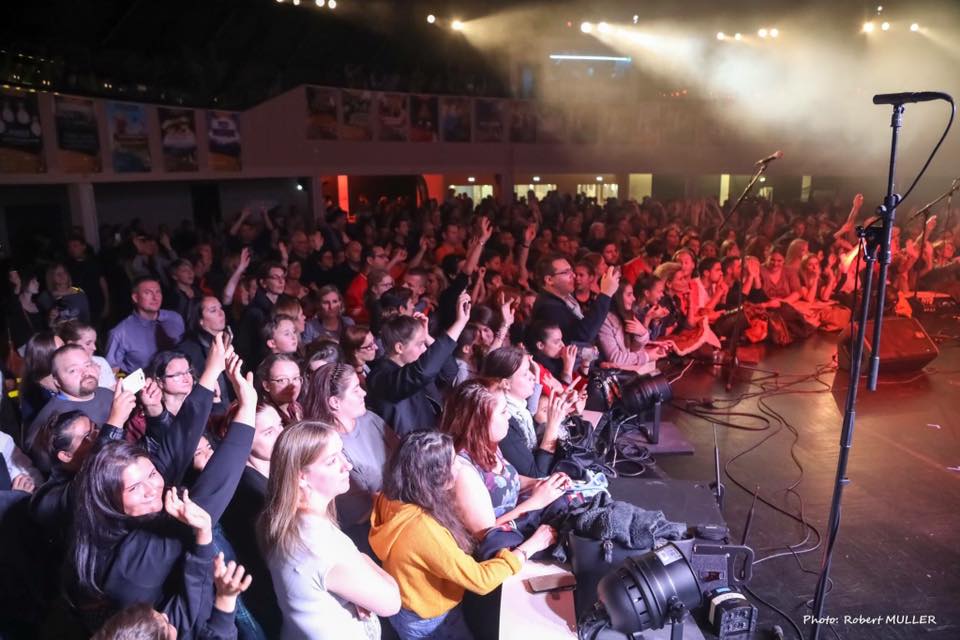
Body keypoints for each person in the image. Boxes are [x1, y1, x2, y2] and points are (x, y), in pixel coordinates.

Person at [69, 342, 254, 637]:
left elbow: (176, 446)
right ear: (109, 500)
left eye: (152, 474)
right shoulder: (133, 561)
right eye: (134, 487)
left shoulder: (122, 507)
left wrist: (210, 372)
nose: (152, 488)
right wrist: (247, 408)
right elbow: (211, 492)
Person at [370, 431, 556, 640]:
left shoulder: (391, 497)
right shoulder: (422, 530)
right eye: (452, 462)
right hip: (431, 622)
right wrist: (530, 546)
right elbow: (481, 580)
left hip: (411, 608)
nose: (460, 467)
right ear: (434, 476)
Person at [260, 421, 401, 640]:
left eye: (341, 453)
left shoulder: (290, 522)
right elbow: (392, 602)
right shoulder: (318, 544)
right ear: (301, 477)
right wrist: (363, 559)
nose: (347, 465)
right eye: (332, 460)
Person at [440, 379, 570, 539]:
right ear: (479, 422)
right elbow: (485, 535)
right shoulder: (462, 471)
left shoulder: (489, 445)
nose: (508, 416)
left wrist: (541, 483)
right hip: (504, 548)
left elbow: (505, 480)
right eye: (503, 412)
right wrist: (537, 501)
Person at [302, 362, 395, 552]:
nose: (364, 393)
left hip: (397, 512)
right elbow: (365, 504)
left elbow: (403, 456)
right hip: (369, 532)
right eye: (355, 389)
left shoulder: (370, 419)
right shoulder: (329, 447)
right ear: (335, 402)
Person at [366, 293, 470, 436]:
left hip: (431, 439)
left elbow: (451, 371)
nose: (424, 349)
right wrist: (459, 324)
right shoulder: (380, 376)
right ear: (399, 348)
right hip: (410, 447)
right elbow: (421, 372)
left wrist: (426, 337)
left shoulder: (415, 366)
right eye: (419, 344)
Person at [481, 347, 576, 478]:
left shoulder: (521, 410)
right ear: (506, 384)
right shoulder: (503, 421)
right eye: (525, 374)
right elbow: (535, 474)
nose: (533, 377)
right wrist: (552, 427)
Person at [26, 344, 115, 462]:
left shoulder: (107, 394)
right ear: (57, 381)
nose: (86, 372)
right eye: (73, 370)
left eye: (88, 365)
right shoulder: (51, 420)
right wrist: (115, 421)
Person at [530, 254, 619, 346]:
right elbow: (583, 335)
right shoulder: (549, 307)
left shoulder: (563, 299)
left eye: (571, 270)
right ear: (549, 280)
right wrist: (606, 294)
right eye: (566, 272)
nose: (574, 275)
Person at [106, 276, 185, 374]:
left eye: (158, 292)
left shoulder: (175, 319)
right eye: (148, 293)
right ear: (135, 298)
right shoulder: (121, 332)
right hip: (144, 381)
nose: (155, 297)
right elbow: (111, 372)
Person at [177, 295, 235, 415]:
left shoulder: (226, 340)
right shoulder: (188, 350)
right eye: (213, 310)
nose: (221, 313)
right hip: (209, 414)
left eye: (221, 308)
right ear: (201, 321)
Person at [597, 281, 667, 368]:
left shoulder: (627, 315)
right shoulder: (605, 321)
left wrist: (642, 334)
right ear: (617, 297)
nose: (634, 298)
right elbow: (615, 358)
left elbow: (632, 350)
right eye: (629, 295)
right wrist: (647, 356)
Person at [236, 262, 285, 364]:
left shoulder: (283, 304)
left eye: (282, 277)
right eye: (275, 277)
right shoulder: (255, 311)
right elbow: (246, 346)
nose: (281, 281)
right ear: (263, 283)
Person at [56, 319, 116, 389]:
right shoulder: (66, 372)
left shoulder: (101, 362)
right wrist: (96, 377)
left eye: (94, 342)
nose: (94, 348)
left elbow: (113, 388)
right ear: (71, 344)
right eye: (88, 343)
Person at [256, 354, 304, 426]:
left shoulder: (297, 409)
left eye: (296, 378)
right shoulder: (261, 416)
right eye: (282, 380)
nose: (292, 385)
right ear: (266, 385)